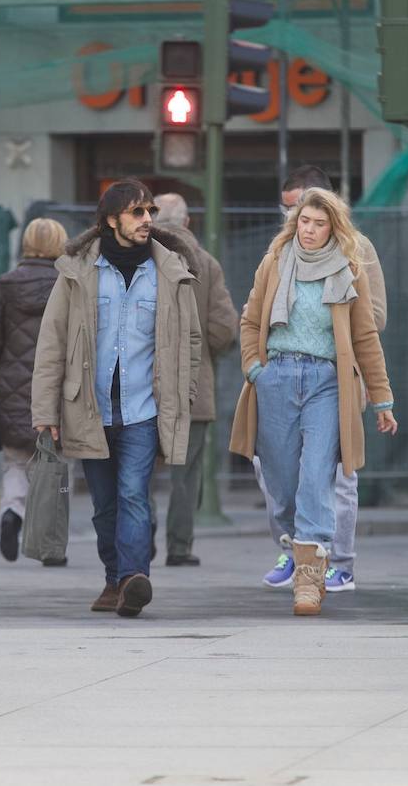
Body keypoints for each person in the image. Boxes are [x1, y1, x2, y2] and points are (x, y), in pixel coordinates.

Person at [32, 179, 201, 618]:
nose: (147, 219)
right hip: (89, 408)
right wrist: (44, 412)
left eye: (150, 212)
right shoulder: (78, 271)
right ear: (112, 220)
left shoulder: (171, 271)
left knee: (132, 495)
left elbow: (192, 341)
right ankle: (113, 577)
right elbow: (52, 344)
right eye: (137, 212)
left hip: (145, 409)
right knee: (105, 503)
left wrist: (184, 396)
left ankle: (132, 579)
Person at [230, 188, 397, 617]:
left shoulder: (348, 268)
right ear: (295, 222)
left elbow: (364, 337)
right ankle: (299, 545)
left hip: (327, 380)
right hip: (277, 378)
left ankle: (309, 578)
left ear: (333, 228)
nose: (309, 230)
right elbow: (250, 320)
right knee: (281, 482)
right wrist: (254, 369)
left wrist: (381, 400)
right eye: (304, 221)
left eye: (319, 223)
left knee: (317, 475)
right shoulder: (274, 262)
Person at [151, 193, 239, 567]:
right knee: (185, 475)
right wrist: (205, 355)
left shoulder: (139, 259)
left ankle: (140, 541)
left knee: (136, 469)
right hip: (193, 388)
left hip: (143, 386)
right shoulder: (206, 263)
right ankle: (179, 546)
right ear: (187, 223)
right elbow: (224, 329)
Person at [0, 217, 70, 562]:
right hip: (59, 387)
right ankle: (50, 545)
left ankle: (11, 512)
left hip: (14, 387)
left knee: (16, 461)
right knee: (57, 464)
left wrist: (3, 356)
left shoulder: (7, 283)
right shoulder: (69, 282)